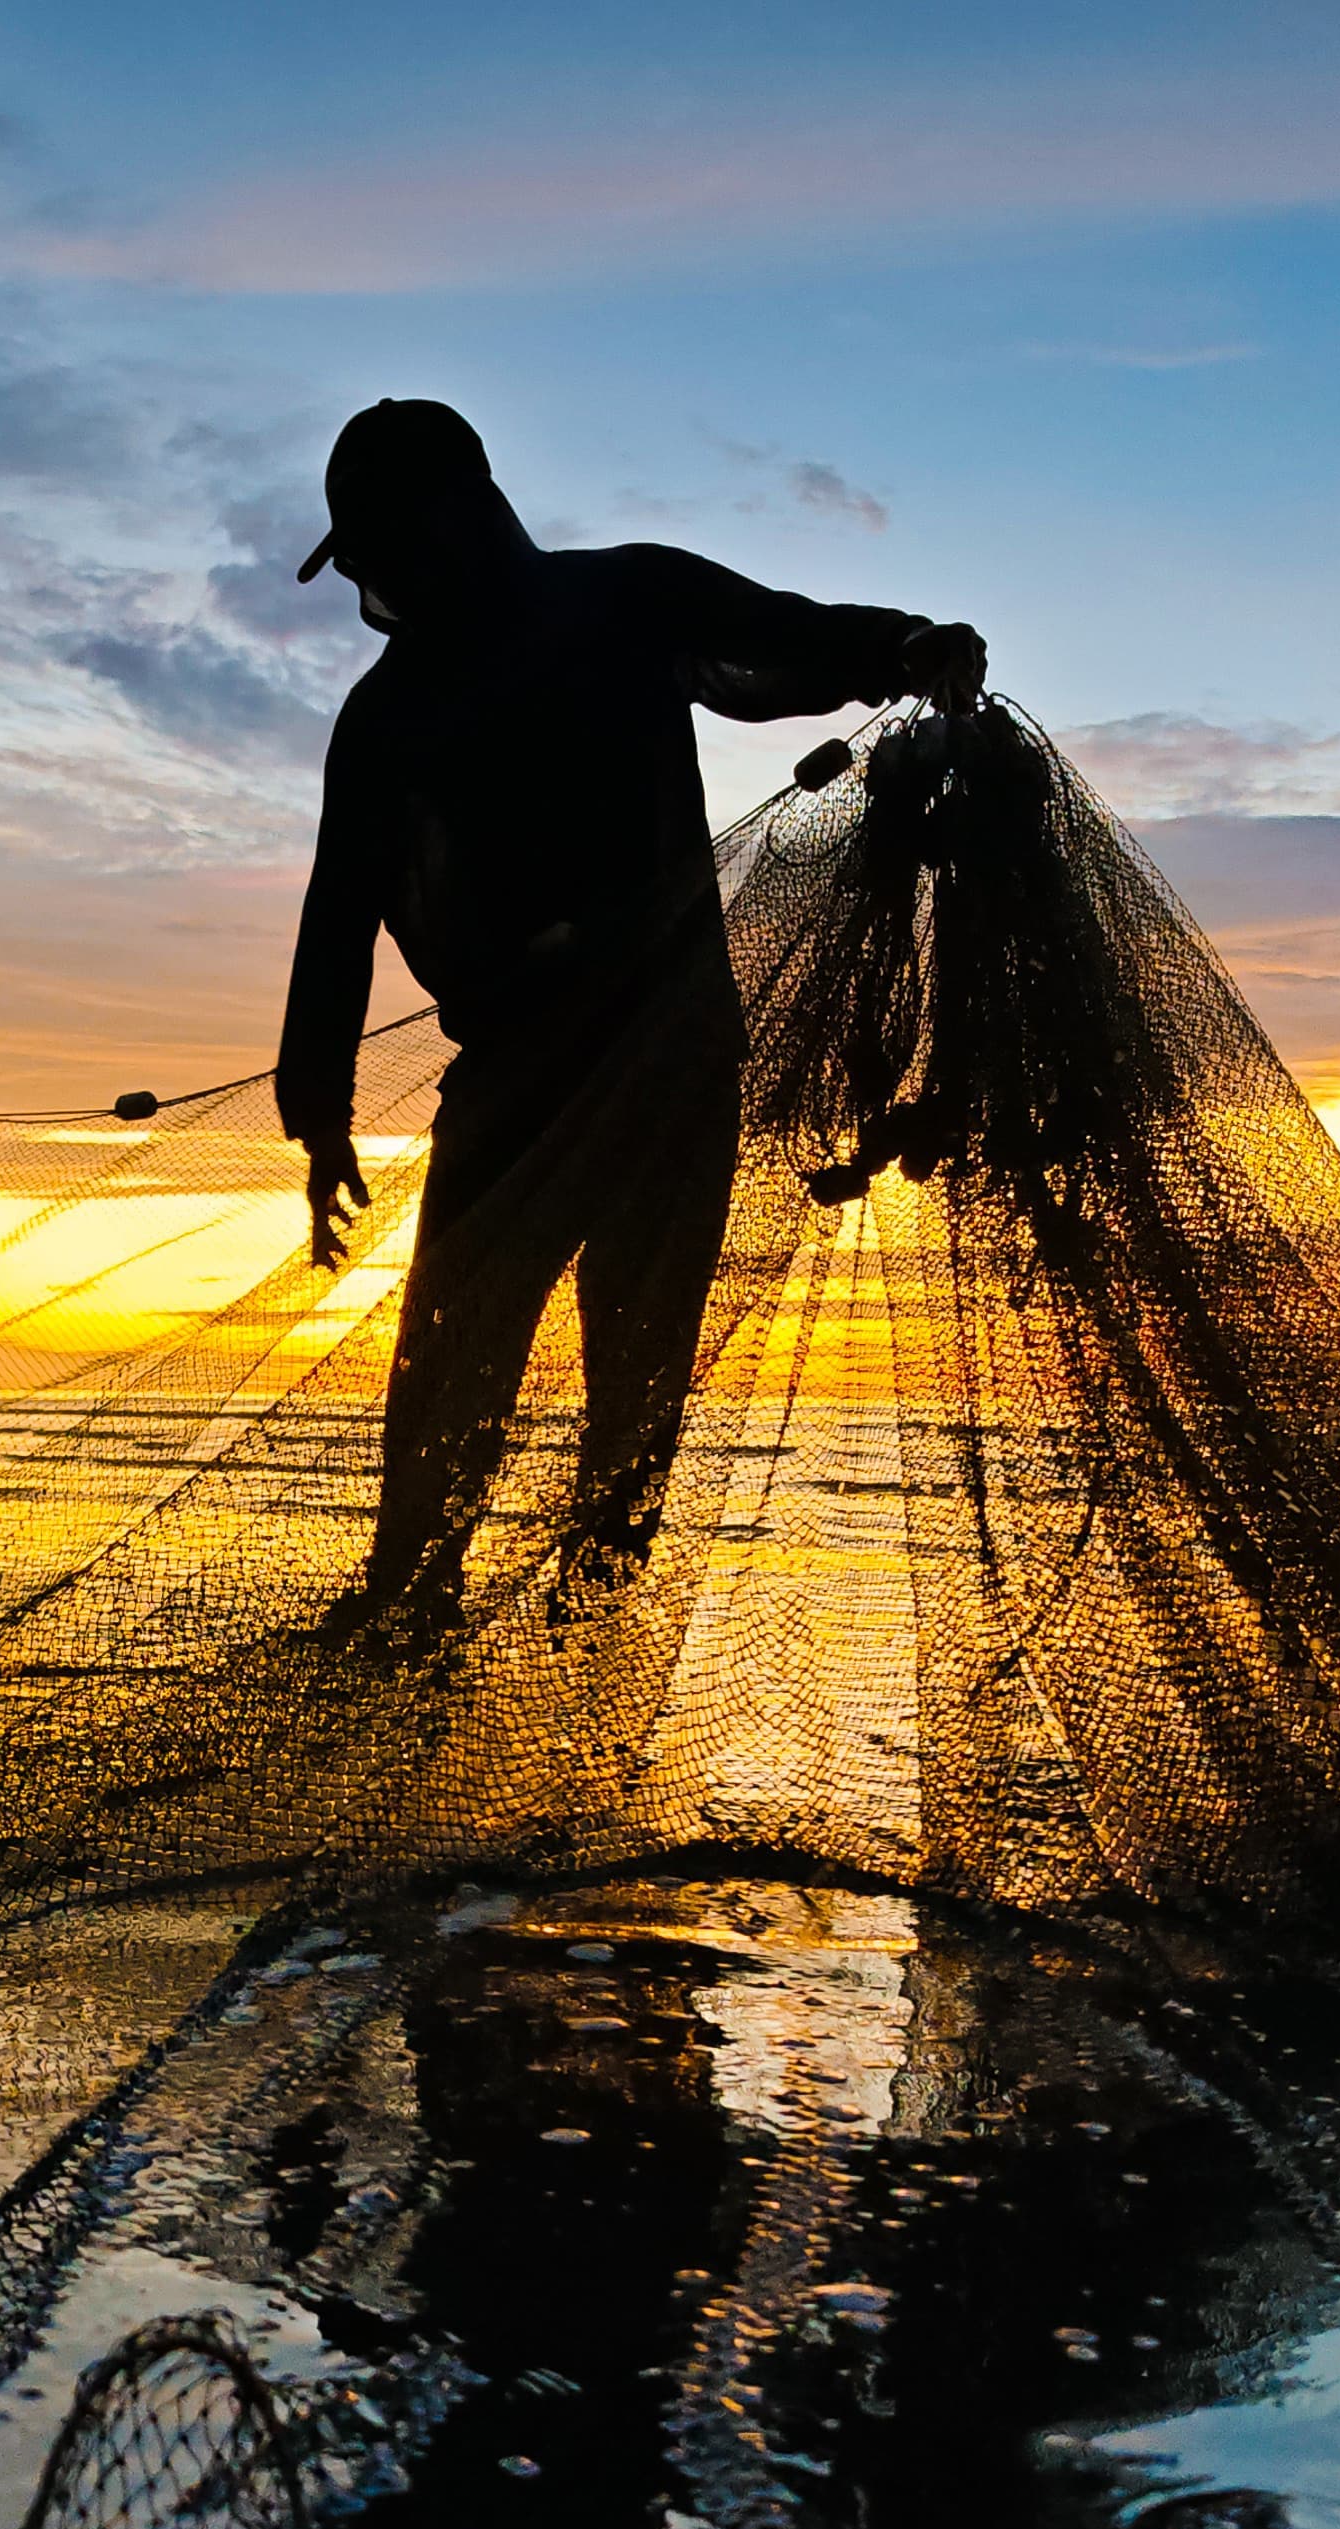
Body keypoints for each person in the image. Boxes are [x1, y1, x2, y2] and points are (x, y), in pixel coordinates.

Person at [275, 399, 982, 1620]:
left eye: (377, 546)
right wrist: (318, 1112)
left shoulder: (618, 603)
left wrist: (903, 644)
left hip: (654, 1065)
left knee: (610, 1360)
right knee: (466, 1346)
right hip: (545, 1073)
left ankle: (562, 1636)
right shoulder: (400, 706)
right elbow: (338, 911)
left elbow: (785, 640)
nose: (371, 581)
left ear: (447, 518)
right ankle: (430, 1605)